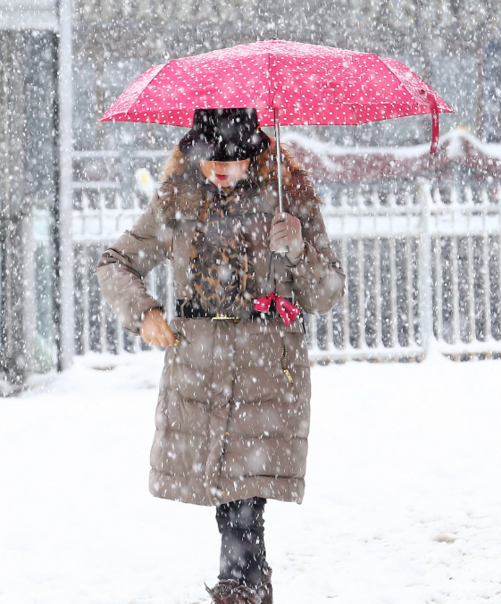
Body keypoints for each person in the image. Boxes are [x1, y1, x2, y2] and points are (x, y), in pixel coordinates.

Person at [97, 108, 345, 604]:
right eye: (209, 158)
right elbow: (115, 262)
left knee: (241, 490)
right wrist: (144, 312)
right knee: (229, 487)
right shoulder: (179, 200)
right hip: (201, 370)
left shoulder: (287, 197)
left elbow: (326, 293)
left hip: (265, 369)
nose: (219, 168)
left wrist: (296, 249)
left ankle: (237, 585)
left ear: (255, 151)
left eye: (231, 157)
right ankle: (249, 582)